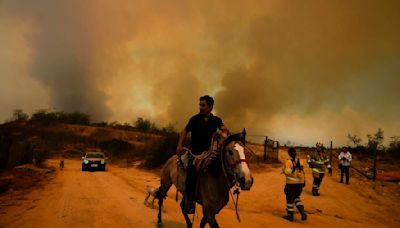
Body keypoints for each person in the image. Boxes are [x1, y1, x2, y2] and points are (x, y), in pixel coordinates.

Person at [176, 95, 229, 213]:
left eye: (203, 105)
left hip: (209, 153)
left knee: (220, 168)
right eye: (200, 105)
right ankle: (190, 201)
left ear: (210, 107)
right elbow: (184, 132)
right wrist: (179, 145)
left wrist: (223, 133)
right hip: (194, 153)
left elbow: (225, 129)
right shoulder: (194, 119)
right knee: (191, 172)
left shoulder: (216, 120)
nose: (200, 107)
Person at [282, 147, 307, 222]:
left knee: (289, 199)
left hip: (291, 184)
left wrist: (283, 170)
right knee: (296, 197)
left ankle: (290, 215)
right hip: (300, 183)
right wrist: (304, 181)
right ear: (295, 153)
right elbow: (302, 171)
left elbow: (288, 172)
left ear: (289, 154)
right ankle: (302, 212)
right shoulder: (300, 161)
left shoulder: (288, 162)